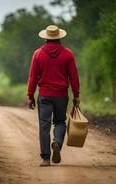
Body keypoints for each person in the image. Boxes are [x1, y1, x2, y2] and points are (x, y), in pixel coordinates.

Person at [27, 25, 80, 167]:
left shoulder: (38, 54)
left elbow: (33, 77)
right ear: (60, 37)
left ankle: (45, 159)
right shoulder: (68, 54)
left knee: (44, 126)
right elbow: (73, 77)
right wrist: (76, 95)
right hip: (61, 95)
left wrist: (30, 96)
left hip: (44, 95)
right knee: (60, 122)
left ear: (45, 37)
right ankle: (57, 142)